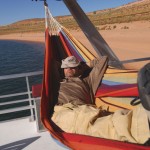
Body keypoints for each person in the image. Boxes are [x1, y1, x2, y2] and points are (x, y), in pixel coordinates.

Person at [52, 56, 150, 145]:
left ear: (79, 68)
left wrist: (85, 65)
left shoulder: (88, 80)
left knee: (113, 123)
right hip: (64, 112)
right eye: (65, 67)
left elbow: (103, 59)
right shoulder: (58, 81)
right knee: (109, 127)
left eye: (72, 67)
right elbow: (51, 65)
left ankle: (145, 121)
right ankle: (145, 121)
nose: (68, 70)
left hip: (82, 111)